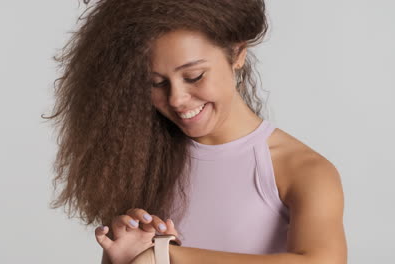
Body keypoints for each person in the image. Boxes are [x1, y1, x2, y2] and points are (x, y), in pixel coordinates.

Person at [43, 0, 347, 263]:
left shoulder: (302, 170)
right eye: (156, 83)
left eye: (194, 76)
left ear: (237, 53)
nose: (176, 99)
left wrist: (167, 255)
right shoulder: (142, 163)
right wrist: (129, 255)